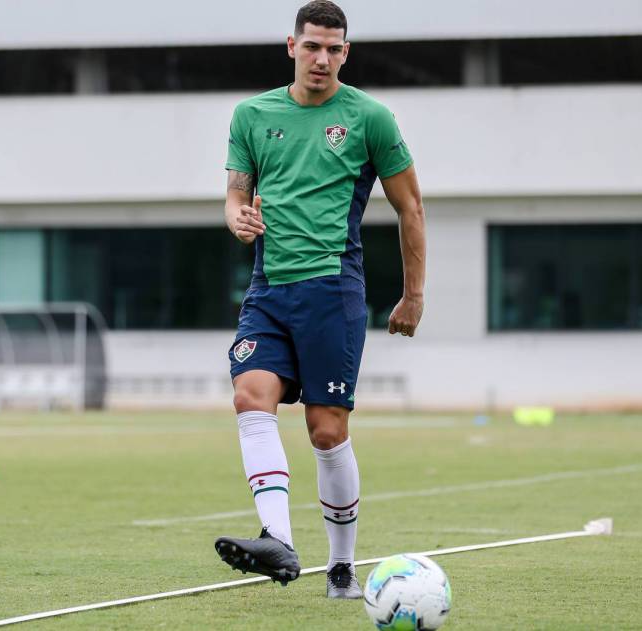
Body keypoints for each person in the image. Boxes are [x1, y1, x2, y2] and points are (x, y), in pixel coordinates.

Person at [212, 1, 427, 599]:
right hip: (267, 289)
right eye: (313, 47)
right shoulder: (252, 115)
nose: (322, 59)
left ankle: (341, 566)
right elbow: (234, 196)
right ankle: (277, 539)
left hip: (332, 290)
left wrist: (413, 296)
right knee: (250, 397)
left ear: (346, 53)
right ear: (291, 46)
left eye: (334, 49)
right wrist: (238, 219)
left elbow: (411, 207)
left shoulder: (369, 118)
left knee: (326, 432)